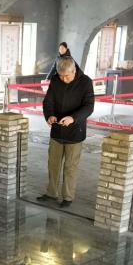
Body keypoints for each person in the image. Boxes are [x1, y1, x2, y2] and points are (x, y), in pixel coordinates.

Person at [38, 57, 94, 209]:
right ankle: (51, 193)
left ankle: (68, 197)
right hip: (57, 130)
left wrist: (73, 118)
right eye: (61, 76)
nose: (63, 79)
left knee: (70, 167)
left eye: (67, 76)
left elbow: (89, 107)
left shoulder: (85, 82)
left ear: (74, 71)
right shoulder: (55, 80)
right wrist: (49, 115)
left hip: (75, 131)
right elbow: (48, 101)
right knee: (53, 164)